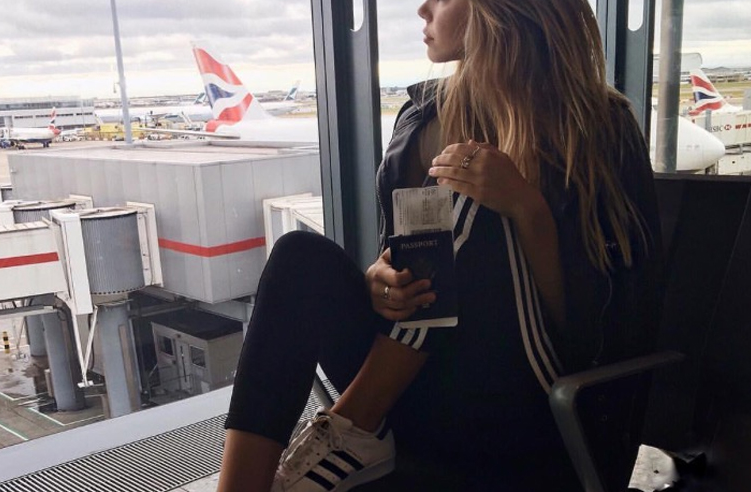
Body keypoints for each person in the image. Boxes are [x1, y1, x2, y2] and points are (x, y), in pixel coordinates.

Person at [217, 0, 663, 491]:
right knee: (298, 259)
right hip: (417, 396)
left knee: (471, 205)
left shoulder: (599, 127)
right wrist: (379, 282)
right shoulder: (424, 115)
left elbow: (599, 335)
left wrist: (527, 209)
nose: (422, 9)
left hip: (535, 414)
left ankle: (352, 425)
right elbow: (408, 268)